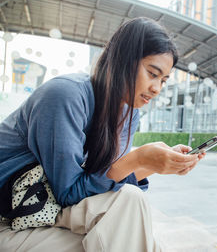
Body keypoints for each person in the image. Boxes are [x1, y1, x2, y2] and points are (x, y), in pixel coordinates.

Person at [0, 17, 205, 252]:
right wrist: (138, 159)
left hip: (48, 208)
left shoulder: (129, 113)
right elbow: (69, 193)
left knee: (130, 211)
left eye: (163, 80)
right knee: (125, 227)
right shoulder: (65, 96)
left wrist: (154, 164)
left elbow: (103, 181)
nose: (157, 88)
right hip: (13, 214)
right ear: (123, 60)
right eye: (152, 73)